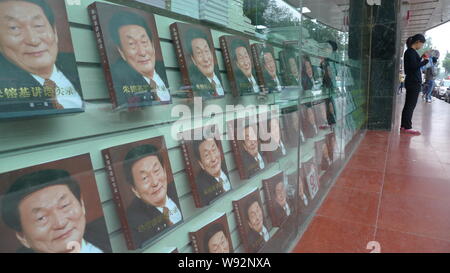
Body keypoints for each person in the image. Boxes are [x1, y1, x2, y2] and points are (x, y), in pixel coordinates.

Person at [0, 0, 83, 114]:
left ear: (54, 31)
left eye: (38, 25)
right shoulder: (6, 87)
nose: (33, 40)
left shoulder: (78, 66)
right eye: (14, 28)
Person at [1, 169, 108, 253]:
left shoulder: (107, 234)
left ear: (82, 204)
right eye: (41, 217)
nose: (60, 223)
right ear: (22, 237)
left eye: (65, 205)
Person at [108, 11, 171, 108]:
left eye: (144, 42)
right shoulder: (118, 79)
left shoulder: (165, 69)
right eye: (131, 44)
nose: (142, 52)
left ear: (153, 45)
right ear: (121, 52)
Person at [123, 144, 182, 245]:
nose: (155, 182)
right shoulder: (133, 220)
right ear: (135, 190)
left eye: (156, 171)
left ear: (164, 171)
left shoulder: (180, 188)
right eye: (145, 178)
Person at [400, 34, 429, 135]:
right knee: (410, 105)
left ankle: (404, 125)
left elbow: (414, 64)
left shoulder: (411, 52)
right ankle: (407, 126)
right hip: (413, 82)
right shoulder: (410, 52)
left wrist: (421, 58)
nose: (421, 46)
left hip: (411, 81)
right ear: (417, 42)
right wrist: (425, 62)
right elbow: (413, 66)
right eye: (421, 44)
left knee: (408, 104)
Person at [185, 28, 224, 98]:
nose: (206, 59)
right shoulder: (193, 83)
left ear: (212, 53)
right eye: (199, 53)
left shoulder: (222, 76)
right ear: (193, 59)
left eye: (206, 51)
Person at [193, 137, 231, 206]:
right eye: (207, 155)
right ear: (201, 164)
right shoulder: (200, 186)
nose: (213, 158)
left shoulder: (228, 166)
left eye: (214, 150)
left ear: (219, 151)